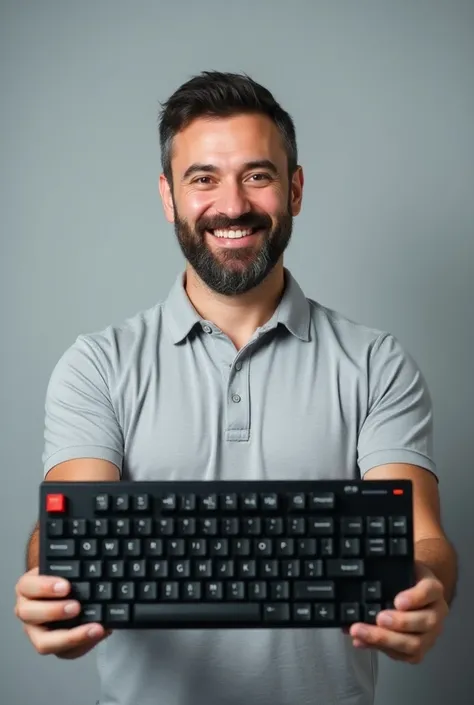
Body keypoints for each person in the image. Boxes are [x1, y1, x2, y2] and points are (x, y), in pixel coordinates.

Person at [15, 71, 457, 705]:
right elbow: (74, 526)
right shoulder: (97, 365)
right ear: (168, 197)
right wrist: (52, 584)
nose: (232, 205)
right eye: (203, 179)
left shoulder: (377, 363)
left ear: (295, 189)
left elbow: (422, 538)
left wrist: (425, 586)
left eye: (258, 175)